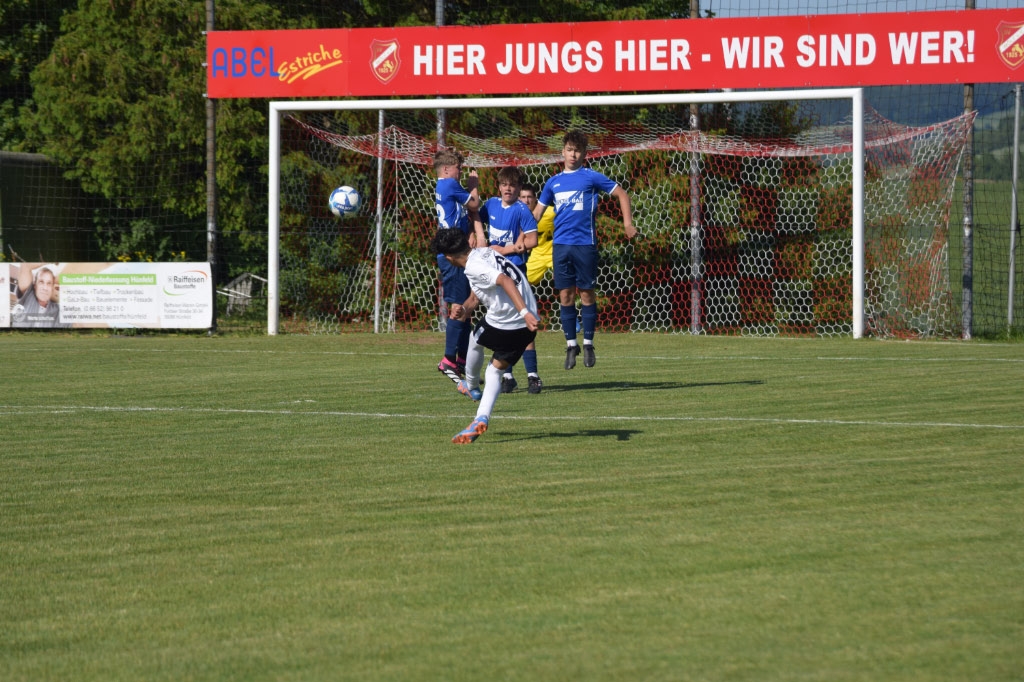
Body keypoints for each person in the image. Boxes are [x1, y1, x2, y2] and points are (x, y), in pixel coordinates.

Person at [533, 130, 636, 370]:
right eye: (569, 150)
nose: (573, 154)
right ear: (563, 152)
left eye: (577, 150)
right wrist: (521, 234)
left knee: (587, 294)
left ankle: (588, 343)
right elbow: (536, 214)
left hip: (585, 245)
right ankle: (571, 345)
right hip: (561, 247)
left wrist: (627, 223)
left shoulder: (591, 177)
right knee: (565, 296)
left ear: (584, 154)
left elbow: (621, 193)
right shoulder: (553, 182)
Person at [430, 227, 539, 444]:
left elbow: (505, 281)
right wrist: (464, 309)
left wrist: (524, 313)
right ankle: (481, 418)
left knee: (474, 338)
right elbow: (476, 297)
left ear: (449, 258)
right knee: (494, 370)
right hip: (526, 327)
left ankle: (471, 387)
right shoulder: (484, 252)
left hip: (510, 320)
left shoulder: (473, 266)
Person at [480, 167, 542, 395]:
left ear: (519, 188)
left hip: (515, 270)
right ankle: (507, 376)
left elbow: (533, 240)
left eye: (513, 185)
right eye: (505, 184)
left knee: (523, 320)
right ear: (499, 186)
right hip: (494, 272)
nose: (508, 189)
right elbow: (475, 217)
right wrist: (477, 234)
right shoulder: (491, 205)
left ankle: (533, 375)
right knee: (500, 321)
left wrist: (506, 250)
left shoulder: (521, 210)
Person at [433, 147, 486, 384]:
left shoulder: (446, 186)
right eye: (458, 168)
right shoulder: (448, 184)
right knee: (458, 306)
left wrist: (470, 233)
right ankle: (448, 360)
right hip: (452, 254)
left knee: (466, 307)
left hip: (458, 249)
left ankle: (462, 360)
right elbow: (474, 203)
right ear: (446, 169)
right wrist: (473, 185)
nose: (461, 172)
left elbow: (461, 214)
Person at [11, 262, 69, 328]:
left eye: (49, 283)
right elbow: (25, 265)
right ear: (35, 285)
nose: (45, 288)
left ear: (52, 287)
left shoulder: (59, 312)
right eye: (41, 282)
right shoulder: (27, 296)